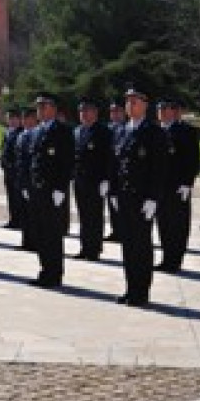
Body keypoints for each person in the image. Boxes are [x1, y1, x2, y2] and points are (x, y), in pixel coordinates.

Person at [114, 86, 166, 306]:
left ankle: (141, 291)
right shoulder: (120, 131)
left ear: (145, 105)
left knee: (142, 246)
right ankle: (130, 288)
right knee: (127, 245)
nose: (130, 105)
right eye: (127, 101)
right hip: (124, 197)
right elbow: (115, 164)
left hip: (143, 199)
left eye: (135, 101)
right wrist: (114, 192)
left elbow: (160, 168)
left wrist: (154, 198)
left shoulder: (154, 132)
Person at [28, 92, 75, 288]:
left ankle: (55, 273)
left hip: (53, 190)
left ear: (54, 108)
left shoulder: (62, 131)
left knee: (53, 233)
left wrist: (60, 187)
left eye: (44, 106)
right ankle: (45, 269)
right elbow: (34, 161)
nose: (40, 110)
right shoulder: (37, 131)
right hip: (38, 189)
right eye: (38, 107)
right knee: (40, 232)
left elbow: (67, 161)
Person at [154, 99, 200, 273]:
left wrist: (187, 183)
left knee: (178, 224)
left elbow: (193, 159)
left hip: (177, 186)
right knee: (163, 223)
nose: (161, 112)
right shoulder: (157, 131)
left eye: (164, 108)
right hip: (160, 186)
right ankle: (166, 258)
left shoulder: (185, 131)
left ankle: (175, 259)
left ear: (174, 111)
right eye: (159, 108)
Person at [72, 97, 112, 261]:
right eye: (81, 111)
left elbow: (109, 157)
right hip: (80, 180)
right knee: (83, 215)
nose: (84, 114)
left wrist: (106, 179)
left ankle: (94, 249)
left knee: (95, 215)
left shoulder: (103, 132)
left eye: (87, 111)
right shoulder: (77, 131)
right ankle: (85, 246)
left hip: (96, 180)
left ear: (95, 113)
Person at [16, 106, 40, 251]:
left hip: (33, 179)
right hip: (22, 179)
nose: (25, 121)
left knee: (34, 213)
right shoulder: (21, 135)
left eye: (28, 118)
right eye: (23, 118)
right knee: (24, 212)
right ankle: (26, 240)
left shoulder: (36, 134)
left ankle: (35, 241)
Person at [105, 96, 127, 242]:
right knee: (111, 202)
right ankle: (115, 230)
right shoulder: (107, 129)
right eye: (112, 111)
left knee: (124, 204)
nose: (114, 114)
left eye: (117, 111)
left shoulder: (127, 128)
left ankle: (124, 230)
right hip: (109, 171)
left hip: (123, 172)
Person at [1, 107, 24, 229]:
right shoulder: (7, 132)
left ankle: (20, 219)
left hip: (17, 170)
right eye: (9, 118)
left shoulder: (22, 132)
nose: (12, 121)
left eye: (14, 118)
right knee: (10, 196)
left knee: (18, 197)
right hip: (8, 170)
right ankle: (13, 218)